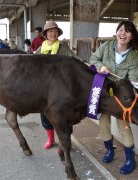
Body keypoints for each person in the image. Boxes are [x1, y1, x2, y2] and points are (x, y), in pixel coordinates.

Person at [89, 20, 138, 174]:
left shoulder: (132, 56)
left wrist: (130, 84)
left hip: (121, 98)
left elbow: (134, 79)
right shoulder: (106, 46)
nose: (122, 34)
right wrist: (101, 67)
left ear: (132, 36)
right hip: (104, 93)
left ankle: (130, 160)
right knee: (104, 123)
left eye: (127, 31)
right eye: (120, 30)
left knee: (124, 127)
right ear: (116, 32)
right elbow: (93, 59)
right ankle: (109, 151)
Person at [35, 19, 82, 149]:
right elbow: (34, 68)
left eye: (55, 31)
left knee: (65, 114)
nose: (53, 33)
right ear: (45, 33)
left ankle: (64, 141)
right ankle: (50, 139)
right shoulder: (40, 50)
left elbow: (75, 60)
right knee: (45, 113)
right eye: (50, 31)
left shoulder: (63, 48)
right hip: (45, 88)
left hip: (63, 87)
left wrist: (86, 65)